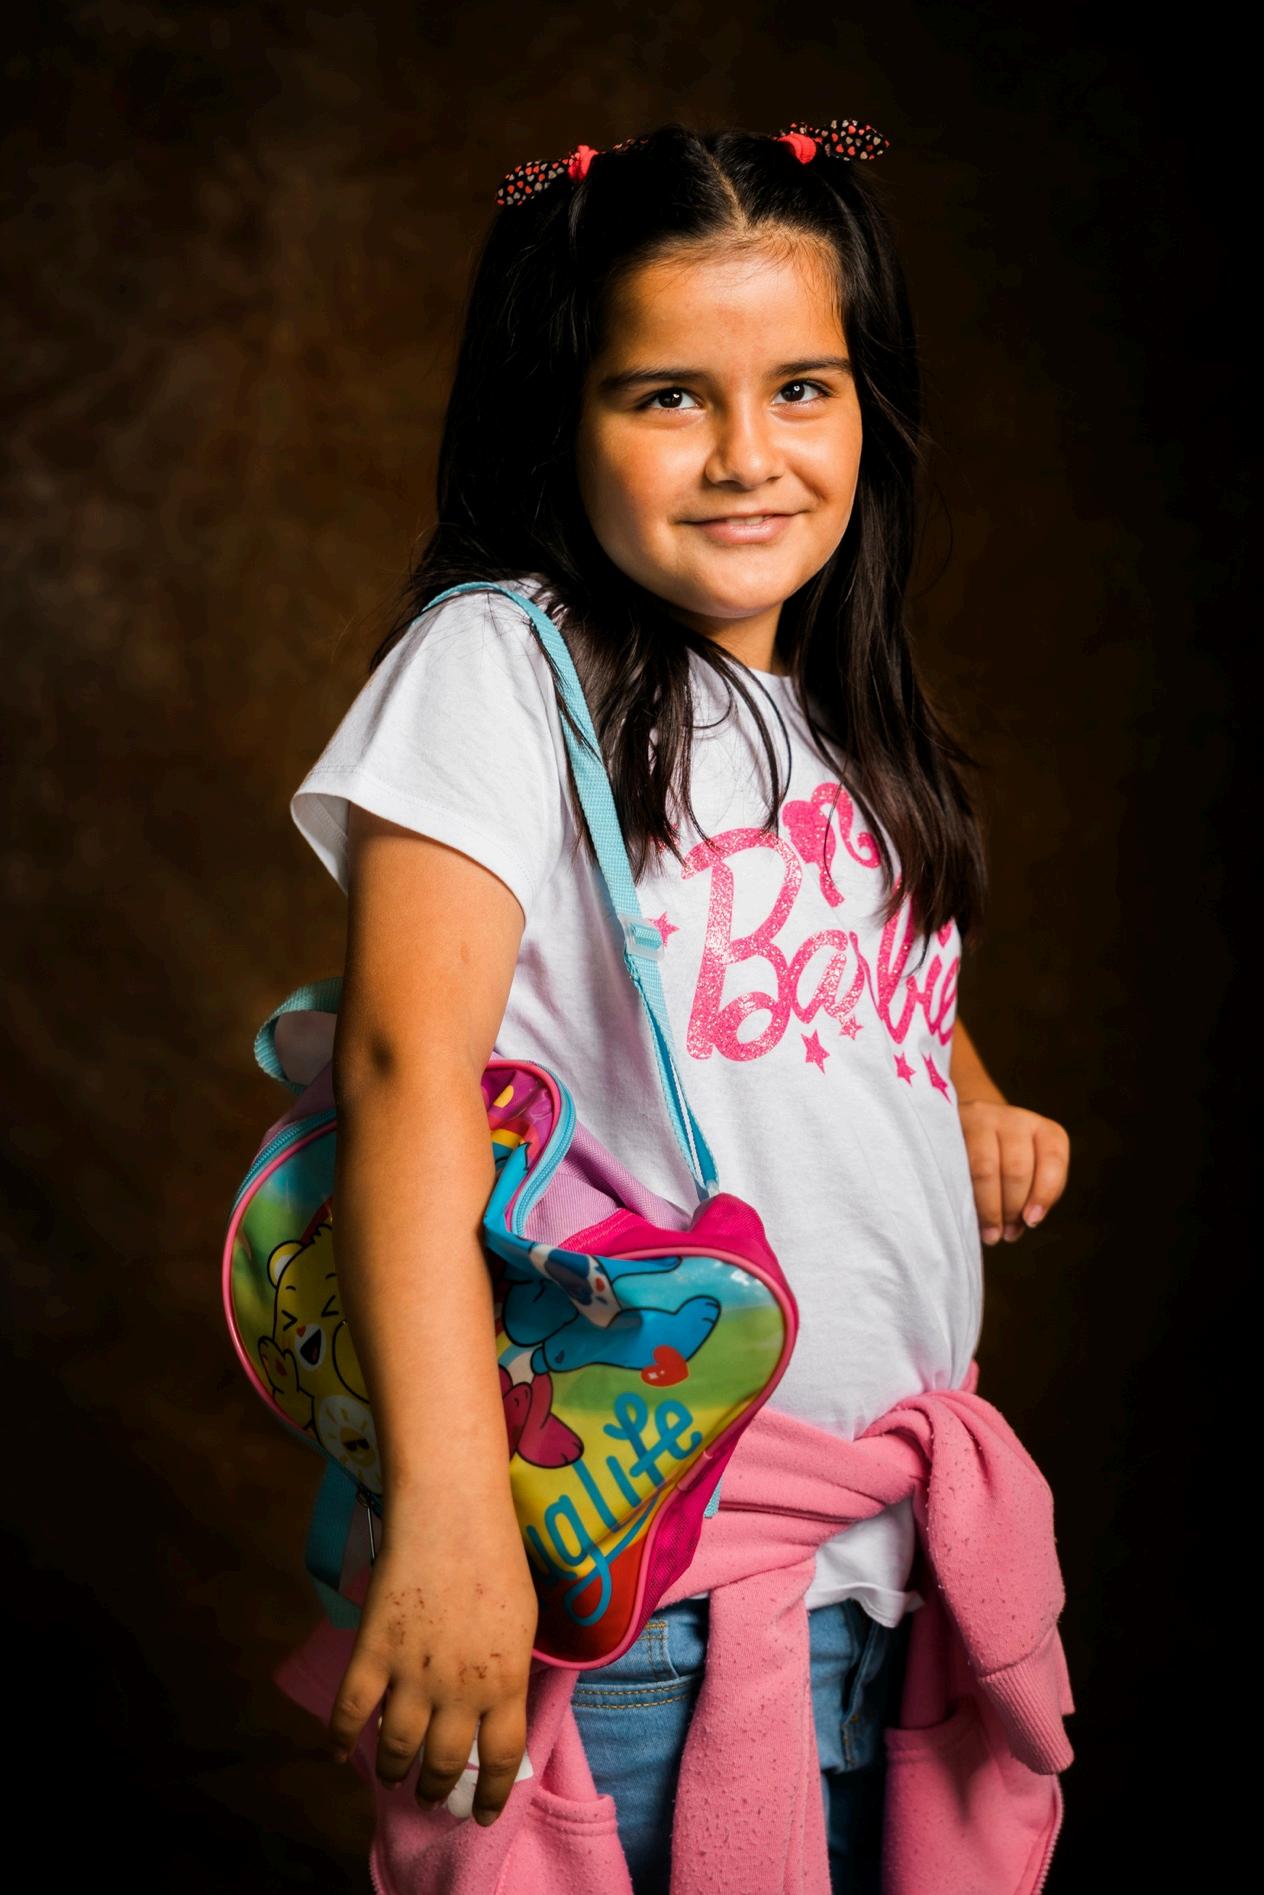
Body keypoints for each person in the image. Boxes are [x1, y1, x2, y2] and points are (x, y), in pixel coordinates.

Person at [282, 117, 1071, 1894]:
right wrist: (457, 1517)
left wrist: (971, 1098)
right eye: (666, 397)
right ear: (557, 414)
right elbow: (407, 1075)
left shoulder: (832, 713)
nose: (746, 455)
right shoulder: (504, 664)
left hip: (885, 1583)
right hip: (651, 1602)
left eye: (802, 389)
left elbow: (833, 967)